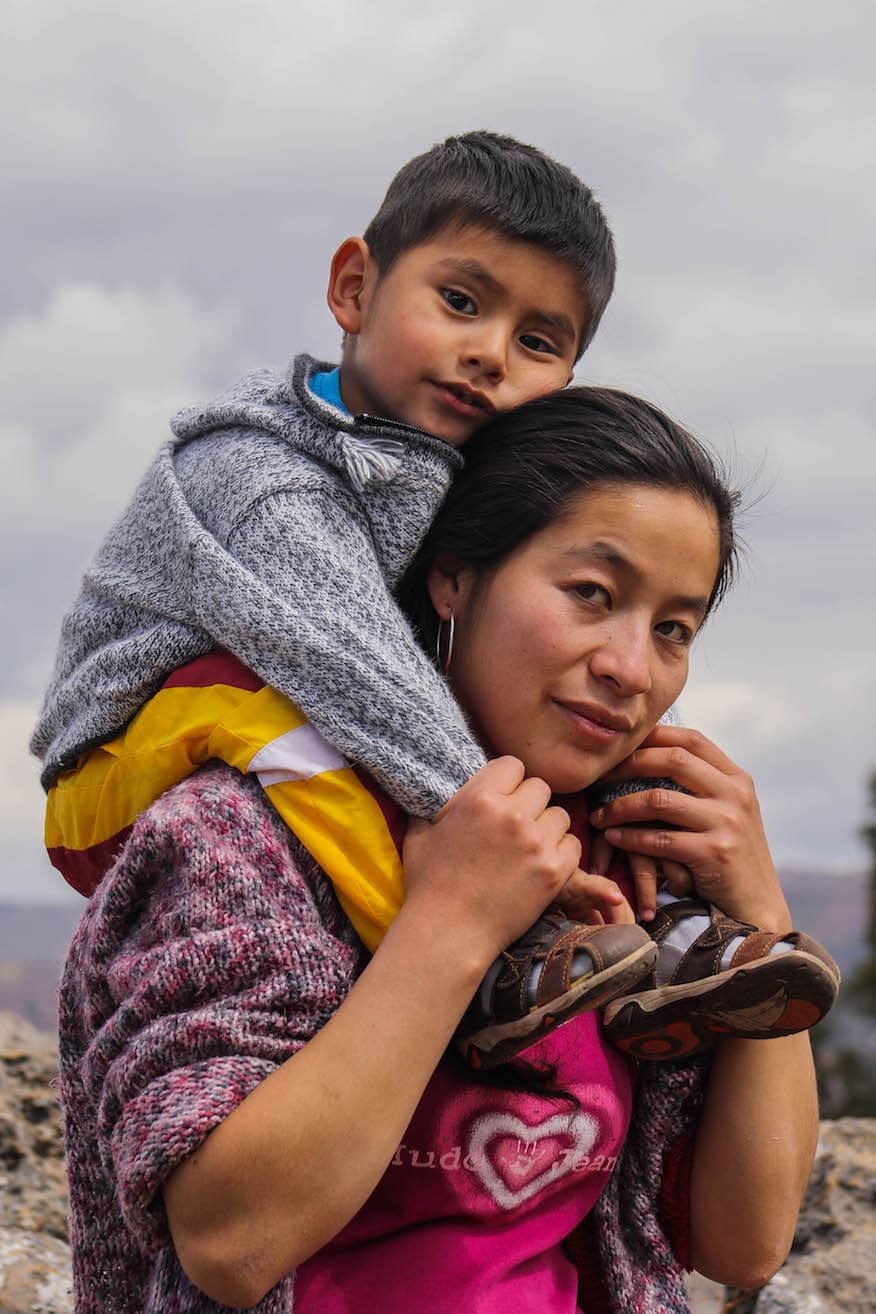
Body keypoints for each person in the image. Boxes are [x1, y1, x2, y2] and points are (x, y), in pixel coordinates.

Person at [32, 129, 837, 1069]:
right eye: (460, 302)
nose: (491, 354)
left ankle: (683, 945)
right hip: (119, 765)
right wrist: (509, 848)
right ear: (353, 288)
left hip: (298, 712)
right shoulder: (258, 476)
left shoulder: (434, 478)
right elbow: (363, 672)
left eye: (538, 342)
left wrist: (640, 793)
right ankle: (497, 965)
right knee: (280, 709)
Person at [60, 388, 821, 1313]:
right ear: (452, 576)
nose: (631, 666)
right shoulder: (245, 835)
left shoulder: (637, 871)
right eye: (592, 594)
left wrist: (760, 920)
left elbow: (745, 1243)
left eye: (673, 628)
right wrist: (453, 922)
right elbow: (231, 1241)